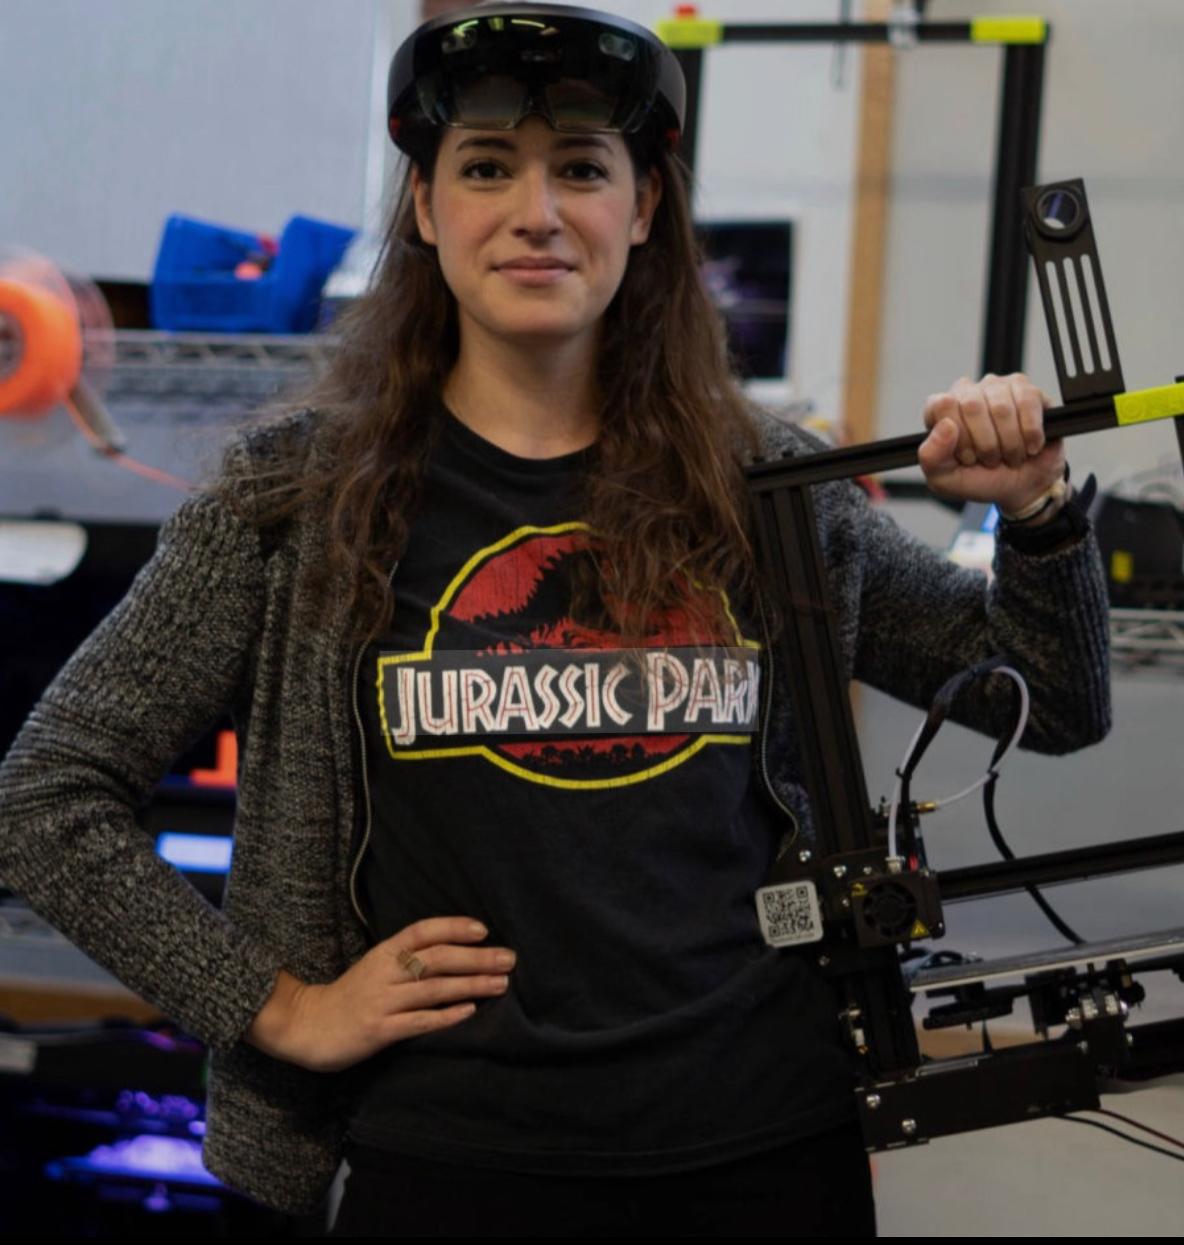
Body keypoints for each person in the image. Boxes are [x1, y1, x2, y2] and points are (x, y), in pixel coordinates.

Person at [0, 3, 1110, 1237]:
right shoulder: (293, 500)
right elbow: (43, 796)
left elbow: (1051, 698)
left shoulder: (766, 487)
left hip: (763, 1143)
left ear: (641, 209)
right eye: (486, 168)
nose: (535, 212)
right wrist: (274, 1006)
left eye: (581, 169)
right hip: (448, 1160)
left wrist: (1036, 509)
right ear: (426, 209)